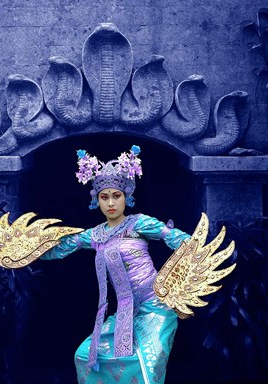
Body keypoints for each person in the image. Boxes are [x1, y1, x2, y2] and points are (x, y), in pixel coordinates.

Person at [40, 145, 192, 384]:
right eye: (104, 197)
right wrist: (27, 253)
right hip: (125, 313)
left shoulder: (138, 224)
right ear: (96, 200)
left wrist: (189, 260)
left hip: (157, 307)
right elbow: (62, 247)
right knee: (84, 356)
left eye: (116, 196)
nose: (111, 202)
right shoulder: (96, 235)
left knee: (146, 367)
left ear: (126, 196)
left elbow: (179, 239)